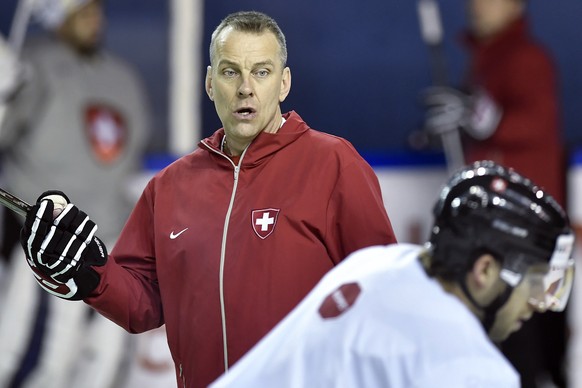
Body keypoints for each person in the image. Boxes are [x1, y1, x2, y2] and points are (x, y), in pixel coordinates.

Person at [16, 10, 397, 388]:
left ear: (283, 84)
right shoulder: (169, 186)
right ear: (211, 83)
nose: (246, 87)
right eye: (231, 72)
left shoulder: (332, 163)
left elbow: (383, 296)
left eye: (261, 72)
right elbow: (141, 304)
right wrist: (89, 273)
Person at [210, 160, 575, 388]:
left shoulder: (375, 264)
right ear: (484, 270)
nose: (538, 304)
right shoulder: (470, 369)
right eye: (535, 280)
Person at [0, 0, 151, 387]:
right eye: (80, 10)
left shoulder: (125, 78)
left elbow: (132, 156)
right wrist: (3, 97)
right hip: (39, 237)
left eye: (95, 9)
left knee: (101, 357)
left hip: (107, 240)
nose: (92, 17)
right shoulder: (30, 64)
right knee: (24, 353)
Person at [421, 1, 566, 385]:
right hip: (497, 232)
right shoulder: (485, 61)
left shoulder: (528, 58)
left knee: (529, 345)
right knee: (503, 339)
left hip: (526, 233)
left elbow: (534, 123)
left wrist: (474, 114)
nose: (477, 6)